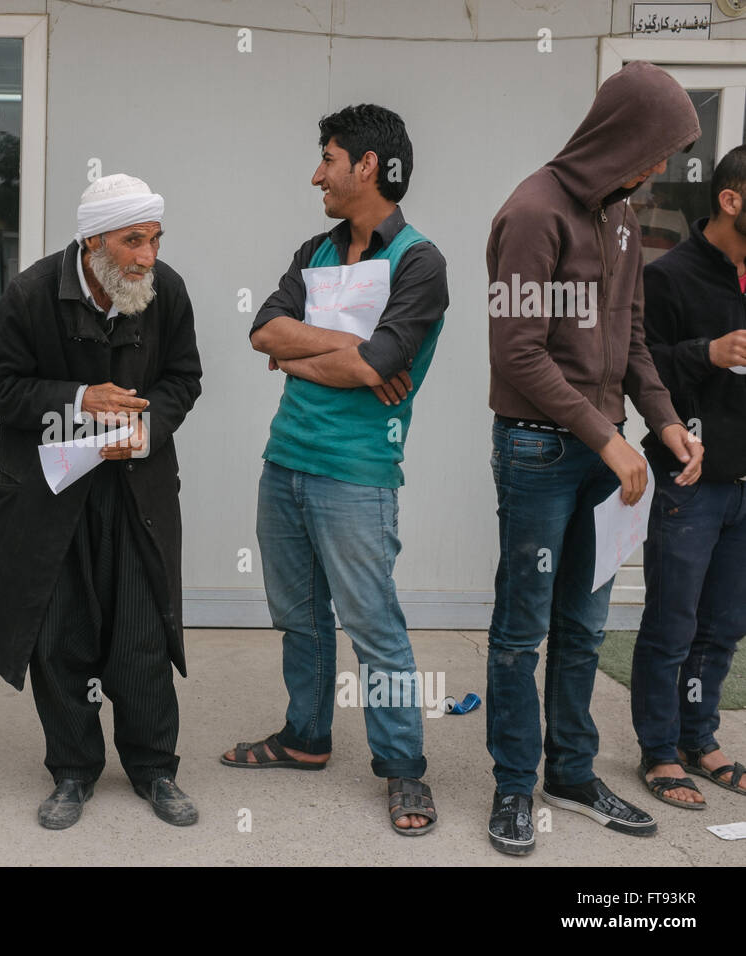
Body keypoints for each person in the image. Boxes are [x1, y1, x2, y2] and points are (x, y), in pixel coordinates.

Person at [484, 60, 703, 855]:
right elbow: (518, 354)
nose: (656, 171)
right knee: (521, 629)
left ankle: (571, 773)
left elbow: (633, 335)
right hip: (540, 449)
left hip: (602, 458)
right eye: (655, 151)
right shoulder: (534, 212)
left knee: (582, 627)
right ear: (624, 134)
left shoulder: (617, 215)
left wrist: (664, 421)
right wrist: (605, 435)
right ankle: (513, 788)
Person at [225, 104, 447, 836]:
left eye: (328, 158)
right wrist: (337, 351)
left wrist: (304, 354)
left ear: (367, 167)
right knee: (298, 619)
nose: (316, 173)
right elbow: (263, 331)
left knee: (373, 625)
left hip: (358, 474)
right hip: (283, 460)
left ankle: (404, 769)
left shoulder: (419, 261)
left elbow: (378, 363)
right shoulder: (314, 251)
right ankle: (306, 738)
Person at [0, 173, 203, 829]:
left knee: (139, 636)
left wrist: (145, 428)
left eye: (154, 239)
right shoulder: (28, 294)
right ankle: (72, 771)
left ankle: (154, 769)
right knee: (59, 636)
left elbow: (183, 380)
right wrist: (78, 402)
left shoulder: (168, 294)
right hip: (51, 493)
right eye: (134, 241)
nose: (147, 257)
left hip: (137, 491)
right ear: (94, 240)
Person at [631, 145, 746, 808]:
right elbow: (641, 370)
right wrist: (708, 353)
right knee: (672, 624)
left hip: (743, 488)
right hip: (688, 482)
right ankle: (658, 750)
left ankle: (700, 740)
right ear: (730, 199)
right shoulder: (670, 275)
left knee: (723, 627)